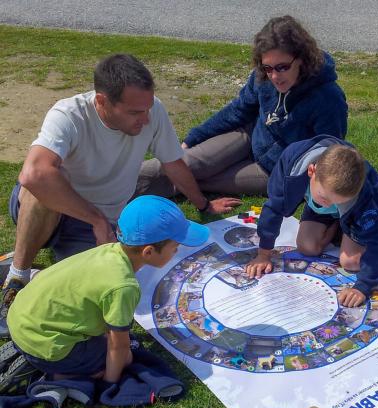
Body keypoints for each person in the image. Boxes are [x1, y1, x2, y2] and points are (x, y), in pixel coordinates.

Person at [0, 53, 239, 335]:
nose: (146, 118)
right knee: (40, 186)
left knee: (106, 288)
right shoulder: (69, 114)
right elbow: (34, 174)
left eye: (147, 108)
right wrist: (96, 220)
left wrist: (203, 204)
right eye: (135, 112)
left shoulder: (152, 112)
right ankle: (18, 276)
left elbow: (173, 163)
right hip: (61, 211)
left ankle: (38, 267)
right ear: (102, 101)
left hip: (104, 222)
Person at [5, 196, 209, 384]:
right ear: (148, 252)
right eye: (175, 247)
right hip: (43, 344)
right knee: (126, 356)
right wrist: (110, 381)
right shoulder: (123, 286)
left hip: (20, 320)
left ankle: (41, 355)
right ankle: (60, 375)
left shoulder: (107, 251)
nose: (177, 251)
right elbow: (118, 346)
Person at [144, 15, 348, 197]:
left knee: (197, 180)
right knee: (185, 163)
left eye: (282, 67)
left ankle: (140, 194)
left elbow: (328, 149)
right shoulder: (263, 78)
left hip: (276, 169)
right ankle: (117, 181)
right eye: (268, 68)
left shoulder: (328, 98)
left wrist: (308, 185)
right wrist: (193, 137)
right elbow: (238, 110)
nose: (275, 76)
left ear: (302, 59)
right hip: (249, 136)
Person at [245, 135, 378, 307]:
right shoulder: (292, 161)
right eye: (324, 197)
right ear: (311, 171)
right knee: (307, 247)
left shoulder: (365, 193)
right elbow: (274, 207)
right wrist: (263, 254)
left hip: (357, 210)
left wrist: (363, 287)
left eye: (337, 201)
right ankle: (339, 223)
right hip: (324, 210)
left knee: (350, 261)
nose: (329, 203)